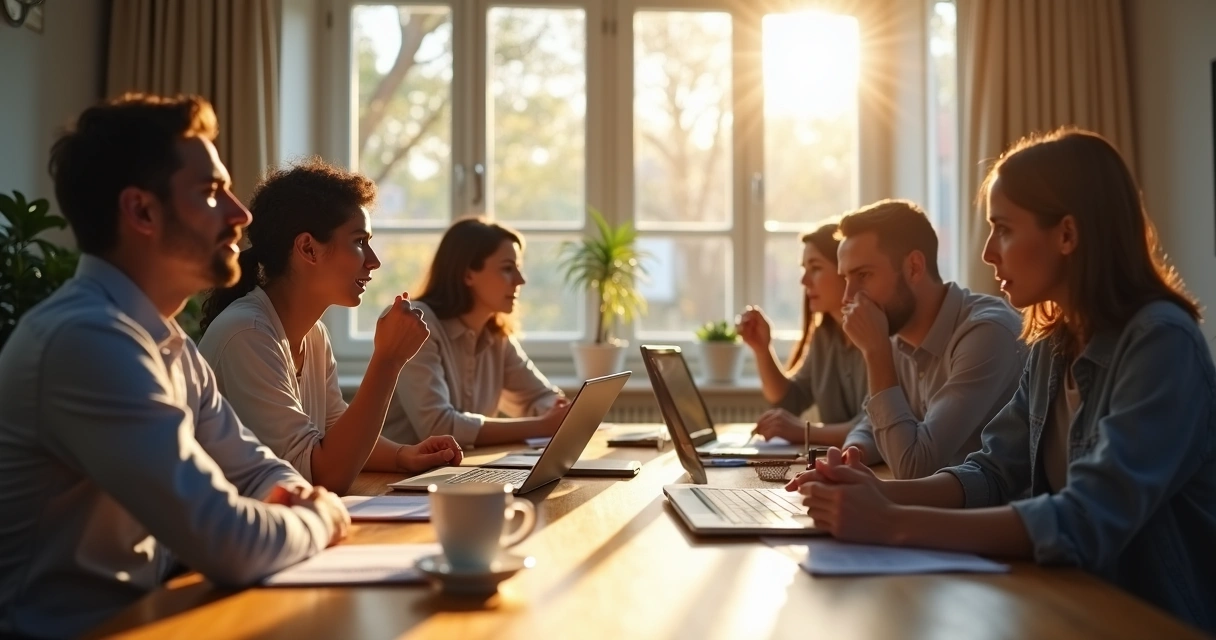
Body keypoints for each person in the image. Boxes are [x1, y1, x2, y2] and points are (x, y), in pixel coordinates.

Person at [791, 128, 1216, 633]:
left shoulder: (1161, 343)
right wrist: (879, 494)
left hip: (1146, 620)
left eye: (1004, 229)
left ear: (1066, 234)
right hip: (1065, 603)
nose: (989, 253)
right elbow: (994, 472)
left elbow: (1086, 518)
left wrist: (892, 522)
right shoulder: (1052, 344)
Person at [0, 94, 349, 638]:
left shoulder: (166, 341)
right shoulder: (87, 341)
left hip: (155, 619)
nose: (242, 214)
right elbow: (225, 540)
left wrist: (293, 495)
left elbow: (256, 470)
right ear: (142, 211)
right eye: (212, 193)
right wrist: (320, 517)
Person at [198, 159, 463, 495]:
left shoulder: (313, 333)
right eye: (359, 241)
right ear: (308, 248)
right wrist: (388, 361)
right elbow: (322, 477)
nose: (374, 261)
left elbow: (334, 428)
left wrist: (402, 455)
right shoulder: (247, 334)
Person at [836, 199, 1026, 479]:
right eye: (845, 279)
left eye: (863, 275)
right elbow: (872, 423)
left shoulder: (986, 333)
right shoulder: (899, 335)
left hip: (992, 516)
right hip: (944, 509)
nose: (848, 297)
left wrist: (875, 353)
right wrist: (854, 453)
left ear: (914, 267)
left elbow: (915, 467)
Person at [382, 217, 568, 448]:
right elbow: (438, 427)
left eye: (518, 268)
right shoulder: (417, 323)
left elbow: (538, 397)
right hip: (392, 479)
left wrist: (557, 411)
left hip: (456, 472)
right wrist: (542, 425)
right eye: (508, 269)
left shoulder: (496, 335)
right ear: (468, 274)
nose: (521, 280)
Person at [736, 222, 867, 445]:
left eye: (815, 268)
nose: (804, 281)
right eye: (804, 269)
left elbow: (876, 427)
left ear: (845, 270)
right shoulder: (825, 335)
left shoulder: (881, 336)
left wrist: (804, 432)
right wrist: (762, 349)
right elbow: (789, 401)